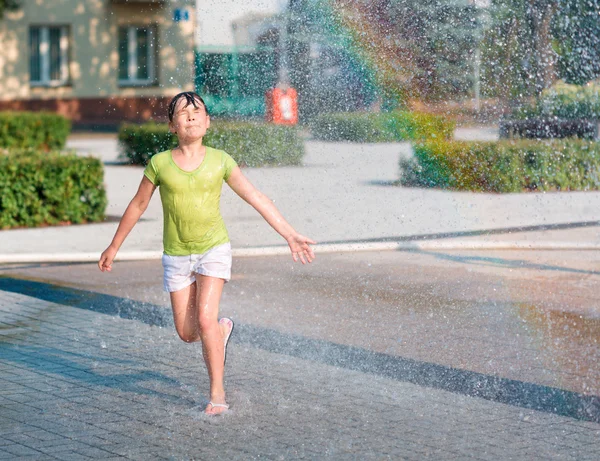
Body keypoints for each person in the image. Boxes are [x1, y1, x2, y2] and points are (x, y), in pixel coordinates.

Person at [98, 92, 316, 415]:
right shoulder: (159, 164)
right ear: (172, 125)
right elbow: (138, 204)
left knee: (204, 317)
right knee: (188, 333)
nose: (191, 116)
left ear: (208, 122)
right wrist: (114, 245)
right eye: (183, 112)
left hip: (213, 249)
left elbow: (255, 196)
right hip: (176, 255)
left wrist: (289, 233)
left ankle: (217, 395)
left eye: (197, 110)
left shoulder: (220, 160)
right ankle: (221, 331)